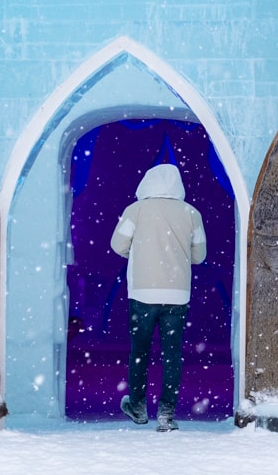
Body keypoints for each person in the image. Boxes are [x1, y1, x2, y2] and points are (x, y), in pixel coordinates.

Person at [110, 163, 206, 432]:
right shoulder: (191, 213)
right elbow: (199, 256)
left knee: (139, 351)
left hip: (142, 292)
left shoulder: (136, 210)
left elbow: (117, 245)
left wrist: (141, 256)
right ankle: (166, 414)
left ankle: (138, 407)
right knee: (172, 354)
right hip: (177, 294)